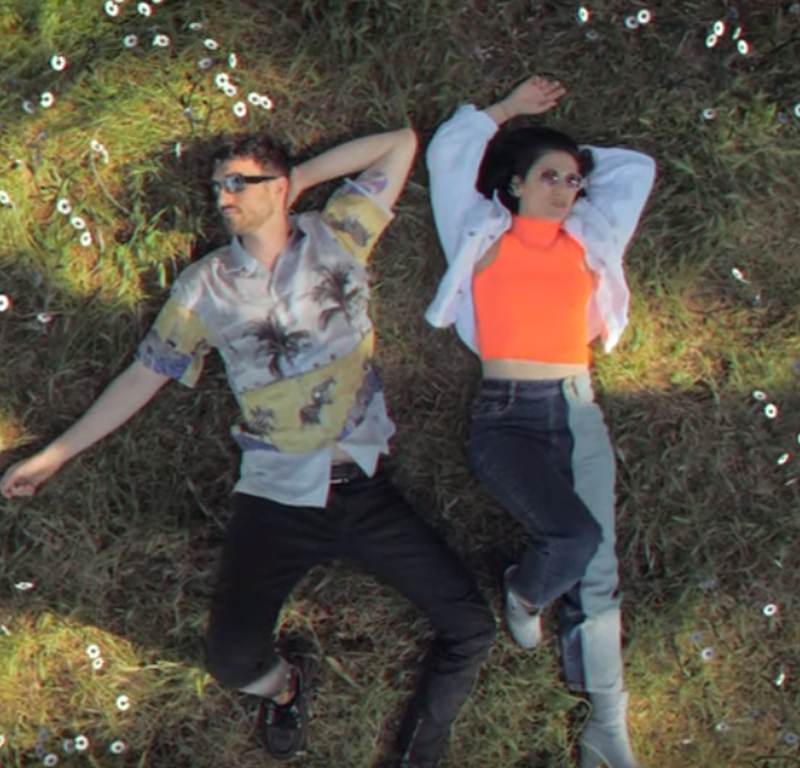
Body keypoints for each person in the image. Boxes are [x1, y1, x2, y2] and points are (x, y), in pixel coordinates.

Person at [1, 126, 495, 767]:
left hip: (364, 487)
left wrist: (301, 179)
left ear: (279, 186)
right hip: (275, 498)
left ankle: (417, 753)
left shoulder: (339, 234)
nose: (224, 197)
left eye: (239, 183)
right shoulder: (205, 287)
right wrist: (52, 456)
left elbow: (400, 143)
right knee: (232, 661)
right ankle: (287, 687)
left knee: (471, 625)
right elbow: (144, 375)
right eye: (217, 187)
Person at [424, 76, 656, 768]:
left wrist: (568, 160)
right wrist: (507, 115)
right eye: (548, 177)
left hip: (577, 408)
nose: (565, 190)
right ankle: (524, 591)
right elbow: (449, 156)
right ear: (514, 185)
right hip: (506, 417)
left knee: (598, 566)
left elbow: (635, 170)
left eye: (574, 181)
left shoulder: (588, 239)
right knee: (575, 537)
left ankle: (606, 725)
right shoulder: (481, 233)